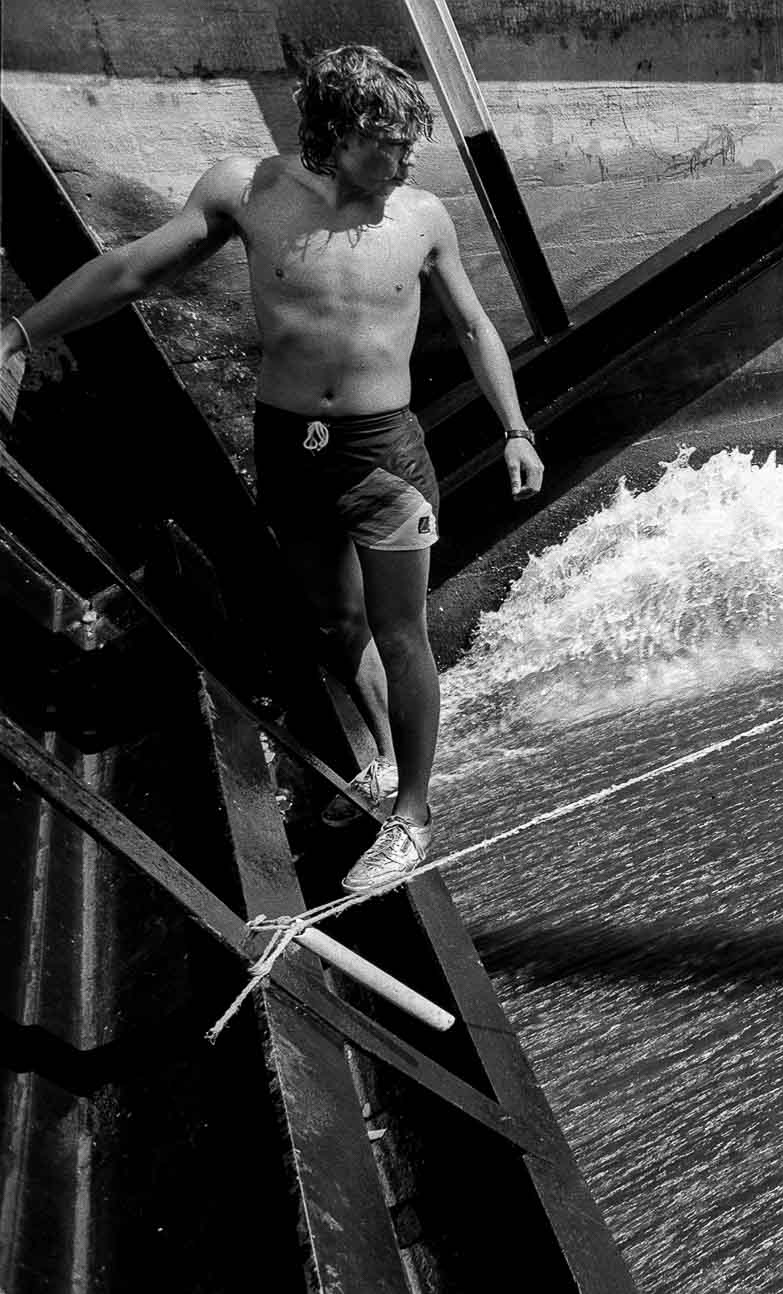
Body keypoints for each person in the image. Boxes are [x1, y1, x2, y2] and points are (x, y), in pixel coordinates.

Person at [0, 45, 546, 889]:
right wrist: (21, 333)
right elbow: (134, 269)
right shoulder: (245, 191)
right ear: (335, 133)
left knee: (402, 633)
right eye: (390, 144)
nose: (406, 161)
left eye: (411, 145)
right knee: (335, 625)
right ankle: (379, 765)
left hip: (383, 457)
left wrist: (516, 429)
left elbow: (474, 328)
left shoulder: (423, 217)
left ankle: (412, 818)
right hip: (291, 449)